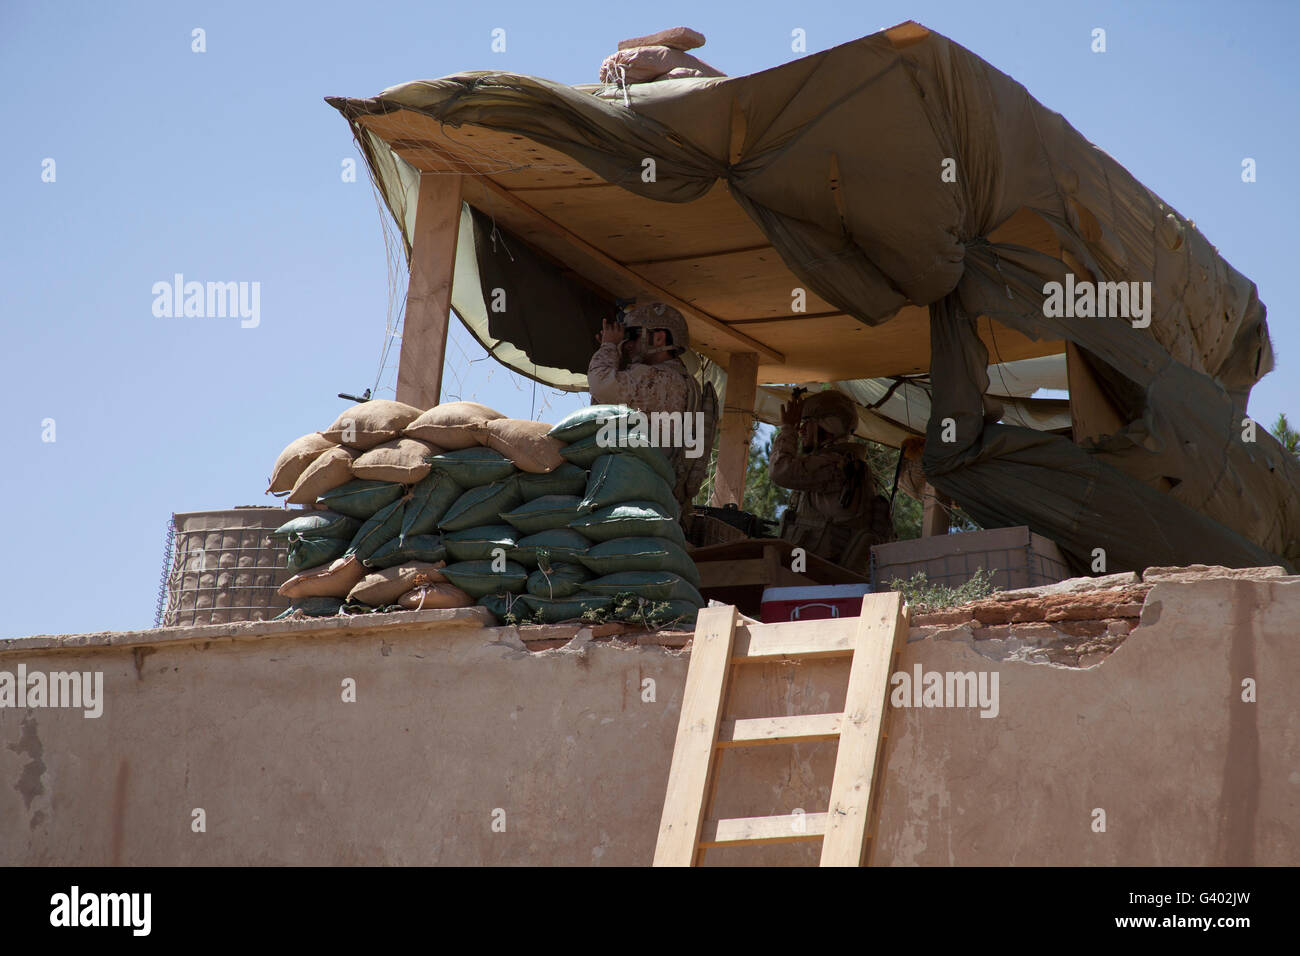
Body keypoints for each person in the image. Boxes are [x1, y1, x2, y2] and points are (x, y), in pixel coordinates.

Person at [587, 302, 716, 520]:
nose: (627, 344)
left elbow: (601, 384)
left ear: (658, 338)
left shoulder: (658, 377)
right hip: (658, 498)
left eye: (633, 335)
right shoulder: (684, 382)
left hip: (635, 495)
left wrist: (608, 347)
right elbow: (606, 406)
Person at [770, 388, 895, 572]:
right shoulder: (843, 463)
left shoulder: (836, 463)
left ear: (827, 427)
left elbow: (780, 471)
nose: (801, 430)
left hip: (819, 579)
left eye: (807, 423)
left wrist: (788, 428)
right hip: (817, 575)